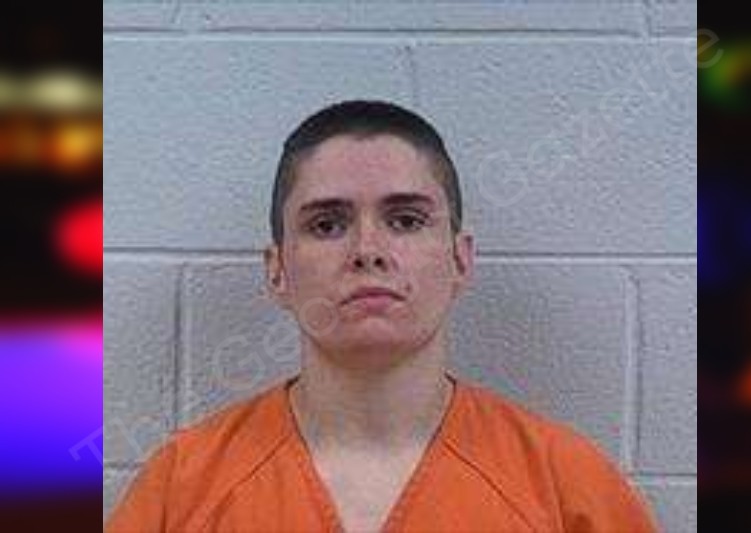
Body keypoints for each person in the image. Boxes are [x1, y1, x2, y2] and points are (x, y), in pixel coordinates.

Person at [106, 100, 658, 532]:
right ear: (277, 271)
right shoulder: (181, 488)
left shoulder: (567, 487)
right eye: (327, 225)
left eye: (406, 221)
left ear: (460, 259)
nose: (368, 251)